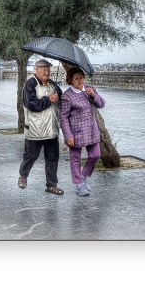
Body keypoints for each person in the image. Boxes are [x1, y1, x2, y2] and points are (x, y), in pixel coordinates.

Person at [18, 58, 64, 195]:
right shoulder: (30, 85)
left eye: (48, 69)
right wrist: (48, 99)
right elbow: (32, 105)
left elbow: (63, 100)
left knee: (53, 158)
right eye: (43, 69)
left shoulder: (53, 85)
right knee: (31, 156)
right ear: (36, 70)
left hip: (52, 130)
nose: (47, 71)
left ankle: (51, 185)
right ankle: (23, 175)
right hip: (35, 130)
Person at [60, 66, 106, 196]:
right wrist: (68, 135)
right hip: (76, 133)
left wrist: (94, 95)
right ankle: (79, 184)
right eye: (76, 78)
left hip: (92, 131)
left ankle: (84, 176)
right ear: (71, 80)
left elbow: (102, 104)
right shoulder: (67, 96)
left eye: (81, 77)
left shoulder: (89, 89)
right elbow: (63, 118)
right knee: (75, 159)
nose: (80, 81)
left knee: (95, 155)